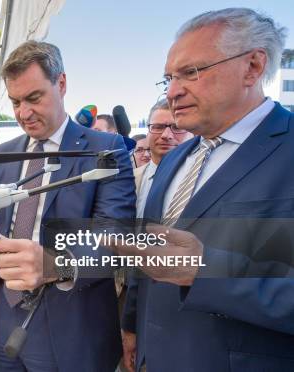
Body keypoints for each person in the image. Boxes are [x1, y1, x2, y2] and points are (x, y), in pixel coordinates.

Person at [0, 40, 135, 372]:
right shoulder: (0, 155)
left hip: (68, 323)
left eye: (34, 98)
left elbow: (115, 236)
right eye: (15, 102)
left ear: (61, 84)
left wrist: (55, 265)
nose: (23, 112)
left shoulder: (106, 149)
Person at [120, 8, 294, 371]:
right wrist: (132, 326)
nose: (172, 92)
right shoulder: (173, 159)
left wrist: (204, 269)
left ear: (253, 67)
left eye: (191, 73)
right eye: (168, 78)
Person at [134, 99, 192, 218]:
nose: (166, 135)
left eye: (176, 128)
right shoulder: (130, 178)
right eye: (158, 127)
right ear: (148, 132)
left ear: (192, 133)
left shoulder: (200, 177)